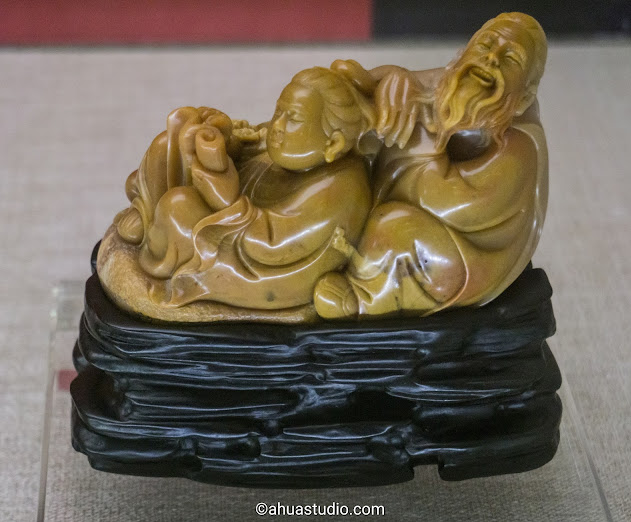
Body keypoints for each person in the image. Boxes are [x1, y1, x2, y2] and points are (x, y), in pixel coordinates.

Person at [314, 12, 549, 319]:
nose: (491, 59)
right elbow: (407, 85)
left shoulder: (521, 148)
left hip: (466, 255)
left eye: (511, 59)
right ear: (461, 56)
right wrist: (390, 81)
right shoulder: (459, 81)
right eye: (485, 45)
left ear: (524, 97)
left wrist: (419, 134)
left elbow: (453, 204)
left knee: (393, 224)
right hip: (413, 222)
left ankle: (363, 299)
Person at [114, 65, 375, 311]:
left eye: (293, 118)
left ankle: (155, 236)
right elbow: (254, 143)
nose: (278, 126)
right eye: (278, 112)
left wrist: (227, 202)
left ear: (333, 143)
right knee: (175, 137)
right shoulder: (293, 150)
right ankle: (145, 212)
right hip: (231, 210)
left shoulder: (341, 190)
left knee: (178, 207)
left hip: (251, 264)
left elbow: (274, 246)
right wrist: (227, 139)